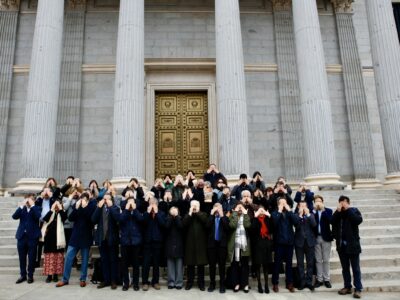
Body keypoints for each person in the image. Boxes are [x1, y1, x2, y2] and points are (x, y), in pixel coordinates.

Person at [56, 192, 96, 288]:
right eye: (81, 199)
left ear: (88, 200)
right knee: (69, 257)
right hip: (75, 236)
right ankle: (65, 279)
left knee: (85, 259)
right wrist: (77, 208)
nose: (82, 201)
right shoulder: (76, 206)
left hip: (86, 237)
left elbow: (91, 220)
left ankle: (83, 279)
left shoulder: (91, 206)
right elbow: (70, 218)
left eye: (84, 199)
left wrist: (85, 207)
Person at [332, 196, 363, 299]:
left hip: (353, 245)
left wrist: (348, 209)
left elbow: (358, 220)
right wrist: (337, 211)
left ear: (348, 203)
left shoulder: (354, 211)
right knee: (345, 268)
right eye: (341, 202)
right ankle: (347, 286)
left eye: (344, 202)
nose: (342, 204)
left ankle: (358, 288)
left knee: (356, 268)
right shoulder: (338, 213)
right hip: (342, 246)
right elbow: (332, 221)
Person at [92, 193, 120, 289]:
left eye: (107, 199)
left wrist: (111, 206)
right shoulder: (100, 209)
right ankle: (106, 280)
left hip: (112, 239)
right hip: (101, 238)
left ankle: (113, 281)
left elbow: (118, 218)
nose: (105, 201)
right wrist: (98, 208)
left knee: (113, 260)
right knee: (104, 260)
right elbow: (93, 220)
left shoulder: (115, 208)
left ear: (111, 200)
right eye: (104, 199)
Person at [13, 194, 42, 284]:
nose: (28, 201)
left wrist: (32, 205)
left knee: (32, 257)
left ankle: (30, 275)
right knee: (22, 257)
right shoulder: (22, 209)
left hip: (32, 237)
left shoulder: (37, 208)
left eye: (30, 199)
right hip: (21, 236)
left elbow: (38, 216)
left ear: (33, 200)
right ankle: (23, 275)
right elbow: (14, 216)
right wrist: (21, 206)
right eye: (27, 199)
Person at [271, 197, 298, 293]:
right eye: (281, 203)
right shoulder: (274, 213)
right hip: (279, 243)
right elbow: (274, 223)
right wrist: (279, 210)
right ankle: (275, 283)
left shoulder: (289, 213)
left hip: (289, 242)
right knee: (277, 264)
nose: (283, 205)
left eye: (285, 203)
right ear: (278, 204)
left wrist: (289, 210)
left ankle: (289, 283)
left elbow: (296, 222)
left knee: (289, 264)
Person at [118, 195, 143, 291]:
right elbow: (121, 220)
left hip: (136, 242)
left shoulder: (138, 211)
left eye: (133, 202)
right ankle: (126, 283)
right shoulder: (124, 211)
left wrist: (135, 210)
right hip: (125, 241)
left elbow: (141, 220)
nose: (131, 203)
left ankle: (136, 283)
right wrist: (127, 210)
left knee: (136, 264)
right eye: (129, 202)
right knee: (124, 264)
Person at [183, 200, 208, 291]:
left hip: (201, 244)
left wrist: (197, 212)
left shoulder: (203, 214)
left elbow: (206, 222)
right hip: (190, 244)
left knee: (201, 265)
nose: (194, 207)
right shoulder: (188, 215)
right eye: (192, 205)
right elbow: (184, 224)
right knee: (190, 265)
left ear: (199, 206)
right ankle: (189, 282)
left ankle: (201, 283)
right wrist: (190, 213)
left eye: (196, 205)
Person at [142, 196, 166, 291]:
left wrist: (156, 213)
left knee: (156, 263)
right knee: (146, 263)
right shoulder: (145, 213)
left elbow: (163, 224)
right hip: (147, 241)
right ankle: (145, 282)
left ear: (157, 204)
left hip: (157, 241)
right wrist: (148, 213)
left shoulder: (161, 213)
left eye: (153, 203)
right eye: (150, 203)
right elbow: (143, 223)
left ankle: (155, 282)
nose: (152, 205)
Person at [227, 202, 251, 293]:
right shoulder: (232, 216)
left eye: (242, 207)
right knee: (234, 265)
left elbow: (247, 225)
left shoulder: (246, 216)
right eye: (238, 207)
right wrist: (234, 213)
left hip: (244, 245)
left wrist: (245, 214)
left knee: (245, 266)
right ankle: (236, 284)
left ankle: (245, 284)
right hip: (234, 245)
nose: (240, 209)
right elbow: (232, 225)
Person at [41, 200, 67, 283]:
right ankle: (49, 275)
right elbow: (44, 219)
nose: (56, 206)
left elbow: (64, 218)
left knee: (57, 257)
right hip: (49, 239)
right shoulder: (50, 212)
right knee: (49, 257)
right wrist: (51, 210)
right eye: (55, 205)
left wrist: (60, 209)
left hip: (58, 239)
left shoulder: (62, 213)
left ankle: (55, 275)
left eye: (57, 205)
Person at [206, 203, 229, 293]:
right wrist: (212, 215)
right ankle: (212, 283)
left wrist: (222, 216)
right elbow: (207, 226)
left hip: (222, 245)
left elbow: (227, 228)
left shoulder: (225, 218)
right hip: (212, 245)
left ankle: (222, 284)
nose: (217, 209)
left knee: (222, 266)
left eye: (219, 207)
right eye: (215, 207)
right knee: (212, 266)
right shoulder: (210, 217)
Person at [294, 200, 317, 291]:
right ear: (298, 207)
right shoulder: (296, 216)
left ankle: (309, 282)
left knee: (310, 263)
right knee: (300, 263)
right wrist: (300, 216)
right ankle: (302, 282)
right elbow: (296, 225)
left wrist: (307, 214)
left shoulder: (311, 215)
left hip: (310, 242)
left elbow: (314, 224)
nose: (303, 207)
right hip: (299, 242)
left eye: (305, 206)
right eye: (301, 206)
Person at [313, 195, 333, 289]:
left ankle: (327, 279)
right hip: (316, 238)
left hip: (326, 238)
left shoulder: (328, 211)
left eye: (320, 201)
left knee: (326, 260)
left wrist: (323, 210)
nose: (318, 203)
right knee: (318, 260)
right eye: (316, 201)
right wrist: (314, 210)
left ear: (323, 202)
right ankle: (319, 279)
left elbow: (330, 221)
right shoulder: (313, 212)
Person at [252, 205, 273, 294]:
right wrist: (255, 217)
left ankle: (266, 285)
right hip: (257, 244)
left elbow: (272, 228)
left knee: (266, 265)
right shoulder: (255, 220)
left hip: (267, 244)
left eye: (262, 211)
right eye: (259, 211)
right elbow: (252, 229)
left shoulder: (268, 219)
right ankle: (259, 284)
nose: (261, 212)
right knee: (258, 265)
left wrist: (269, 216)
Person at [35, 187, 56, 267]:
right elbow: (35, 204)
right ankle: (38, 261)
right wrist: (41, 196)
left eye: (48, 191)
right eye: (45, 191)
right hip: (41, 223)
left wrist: (51, 196)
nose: (46, 193)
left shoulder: (52, 200)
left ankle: (49, 262)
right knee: (40, 243)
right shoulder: (39, 200)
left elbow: (56, 201)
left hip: (51, 224)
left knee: (49, 242)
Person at [165, 206, 184, 290]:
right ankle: (171, 282)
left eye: (175, 209)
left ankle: (179, 282)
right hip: (169, 243)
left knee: (179, 265)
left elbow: (180, 227)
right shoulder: (167, 219)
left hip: (179, 243)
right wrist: (171, 218)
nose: (173, 210)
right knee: (170, 264)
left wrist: (176, 217)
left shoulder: (180, 218)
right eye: (172, 209)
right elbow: (166, 227)